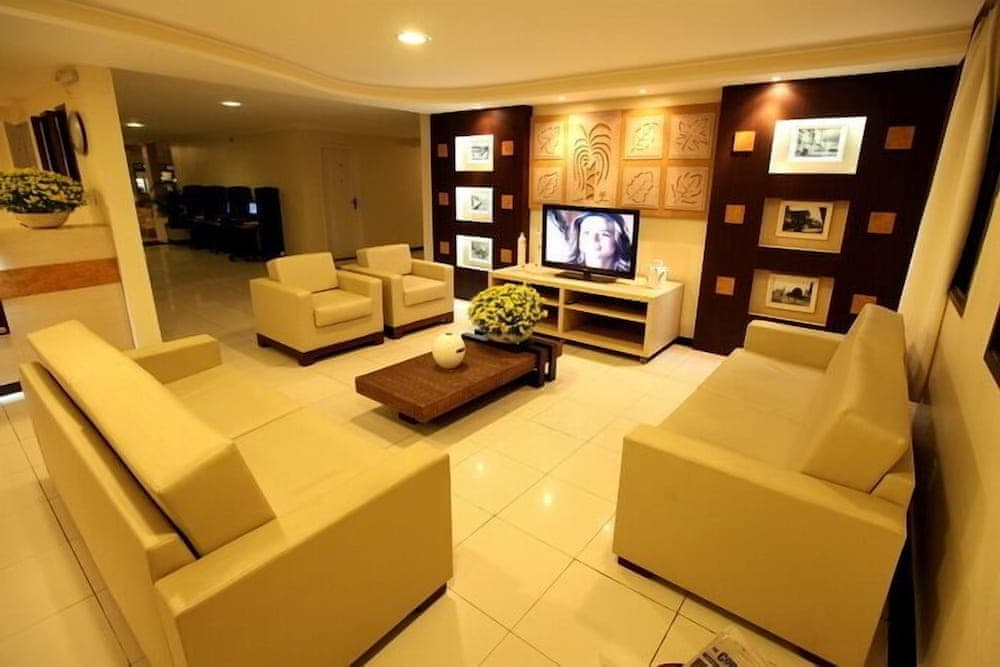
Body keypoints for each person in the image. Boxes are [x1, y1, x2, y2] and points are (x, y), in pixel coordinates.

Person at [568, 212, 633, 271]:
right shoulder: (569, 270)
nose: (594, 239)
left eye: (604, 234)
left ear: (618, 241)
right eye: (587, 233)